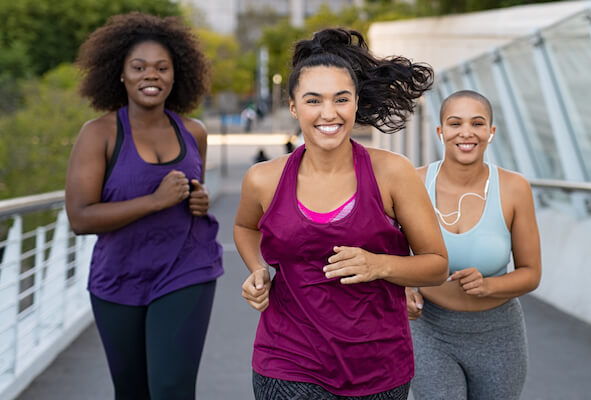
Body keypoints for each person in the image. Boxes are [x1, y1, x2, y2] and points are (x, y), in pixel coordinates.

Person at [233, 28, 448, 400]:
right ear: (293, 107)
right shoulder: (263, 179)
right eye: (313, 100)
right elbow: (244, 226)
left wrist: (379, 266)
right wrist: (257, 269)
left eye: (341, 99)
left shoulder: (392, 173)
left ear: (355, 103)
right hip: (288, 360)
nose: (328, 114)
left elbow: (436, 265)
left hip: (379, 366)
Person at [64, 12, 222, 400]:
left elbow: (192, 190)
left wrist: (198, 200)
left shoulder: (193, 132)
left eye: (161, 68)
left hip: (186, 268)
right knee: (132, 391)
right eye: (139, 67)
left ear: (175, 75)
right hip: (119, 276)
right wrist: (154, 201)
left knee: (171, 388)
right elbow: (80, 217)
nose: (150, 75)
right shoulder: (98, 134)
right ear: (120, 74)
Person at [406, 90, 542, 400]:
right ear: (440, 132)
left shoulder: (514, 188)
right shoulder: (413, 183)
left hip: (498, 335)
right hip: (430, 330)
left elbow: (531, 273)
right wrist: (405, 288)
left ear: (491, 133)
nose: (466, 133)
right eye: (455, 124)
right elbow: (390, 252)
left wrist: (488, 286)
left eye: (477, 123)